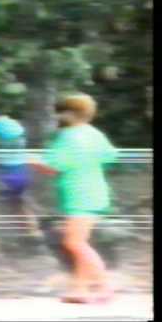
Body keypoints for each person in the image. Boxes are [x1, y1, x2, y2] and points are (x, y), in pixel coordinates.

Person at [29, 93, 118, 303]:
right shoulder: (94, 133)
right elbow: (110, 156)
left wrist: (30, 161)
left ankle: (104, 285)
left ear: (67, 114)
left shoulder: (68, 137)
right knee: (81, 242)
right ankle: (80, 290)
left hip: (79, 194)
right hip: (95, 191)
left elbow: (52, 167)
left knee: (74, 243)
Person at [0, 115, 41, 237]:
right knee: (19, 203)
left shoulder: (0, 137)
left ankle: (19, 230)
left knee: (9, 203)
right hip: (22, 172)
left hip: (7, 174)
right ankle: (31, 229)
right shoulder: (19, 136)